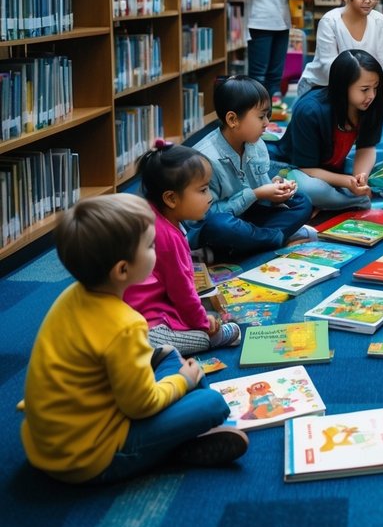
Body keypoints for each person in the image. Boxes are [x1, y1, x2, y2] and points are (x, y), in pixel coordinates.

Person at [19, 194, 248, 484]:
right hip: (91, 458)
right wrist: (184, 382)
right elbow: (140, 406)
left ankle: (181, 434)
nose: (157, 251)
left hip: (50, 440)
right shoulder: (125, 325)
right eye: (151, 246)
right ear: (123, 270)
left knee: (165, 354)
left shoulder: (70, 296)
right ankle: (174, 445)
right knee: (212, 403)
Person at [124, 144, 241, 353]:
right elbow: (182, 292)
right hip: (143, 324)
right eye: (203, 190)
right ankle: (211, 339)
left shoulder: (148, 212)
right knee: (197, 337)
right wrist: (205, 326)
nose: (210, 197)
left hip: (120, 314)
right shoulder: (169, 237)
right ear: (171, 198)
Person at [189, 75, 314, 258]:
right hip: (221, 222)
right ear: (233, 120)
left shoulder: (256, 143)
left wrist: (277, 189)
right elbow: (204, 215)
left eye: (268, 116)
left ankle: (244, 244)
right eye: (261, 116)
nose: (267, 123)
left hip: (249, 217)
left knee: (302, 202)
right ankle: (274, 238)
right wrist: (256, 194)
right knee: (220, 226)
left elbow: (262, 188)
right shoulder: (204, 159)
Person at [275, 49, 383, 210]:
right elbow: (306, 167)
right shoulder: (310, 110)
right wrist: (347, 182)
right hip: (297, 168)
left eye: (375, 87)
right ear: (343, 86)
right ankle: (352, 202)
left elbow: (367, 146)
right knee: (313, 189)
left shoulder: (372, 104)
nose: (372, 95)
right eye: (364, 89)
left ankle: (334, 201)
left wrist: (360, 179)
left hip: (333, 166)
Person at [297, 0, 383, 96]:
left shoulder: (380, 22)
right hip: (322, 87)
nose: (369, 1)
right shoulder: (330, 21)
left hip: (363, 90)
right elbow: (329, 68)